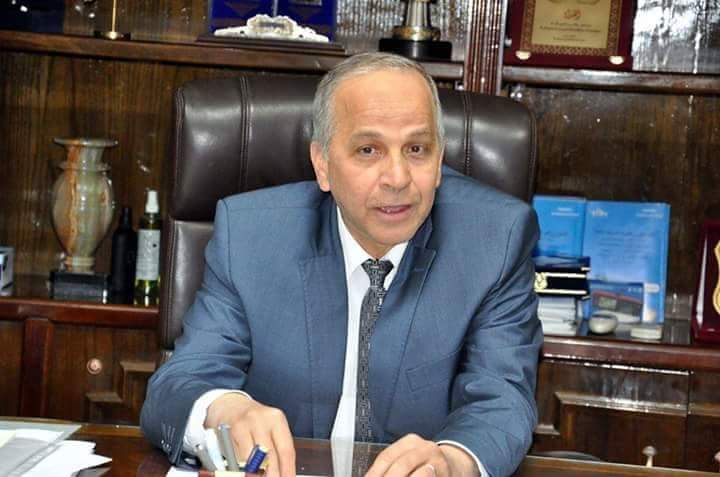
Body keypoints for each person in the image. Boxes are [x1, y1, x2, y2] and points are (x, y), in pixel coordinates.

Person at [141, 52, 542, 477]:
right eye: (368, 150)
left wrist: (452, 463)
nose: (398, 178)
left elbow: (502, 399)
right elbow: (178, 386)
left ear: (439, 159)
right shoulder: (250, 236)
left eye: (417, 149)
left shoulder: (494, 239)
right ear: (322, 164)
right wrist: (224, 409)